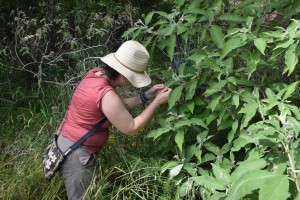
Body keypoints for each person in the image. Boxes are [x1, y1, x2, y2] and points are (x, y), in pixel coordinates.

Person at [56, 40, 172, 199]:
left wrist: (147, 95)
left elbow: (120, 106)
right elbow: (131, 127)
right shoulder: (106, 93)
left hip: (66, 142)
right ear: (124, 77)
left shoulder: (97, 74)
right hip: (77, 155)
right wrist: (157, 102)